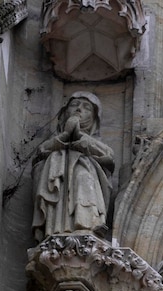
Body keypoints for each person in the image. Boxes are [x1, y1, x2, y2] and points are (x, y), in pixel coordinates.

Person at [32, 92, 114, 242]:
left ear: (94, 118)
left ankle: (88, 225)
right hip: (57, 169)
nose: (79, 110)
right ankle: (53, 230)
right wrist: (65, 135)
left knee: (83, 179)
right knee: (55, 186)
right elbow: (41, 151)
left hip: (84, 167)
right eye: (74, 105)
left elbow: (108, 154)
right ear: (65, 112)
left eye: (86, 107)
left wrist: (80, 137)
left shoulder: (94, 141)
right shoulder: (56, 140)